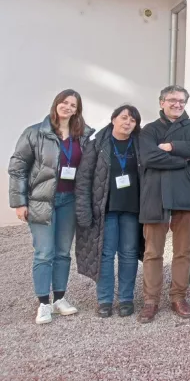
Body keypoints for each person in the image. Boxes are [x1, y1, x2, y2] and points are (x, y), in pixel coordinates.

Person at [9, 89, 93, 324]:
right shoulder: (36, 133)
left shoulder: (83, 136)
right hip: (42, 201)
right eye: (64, 103)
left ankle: (59, 298)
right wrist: (19, 202)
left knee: (63, 252)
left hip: (70, 201)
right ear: (56, 104)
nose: (67, 107)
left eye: (73, 105)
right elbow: (18, 167)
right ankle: (43, 304)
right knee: (44, 253)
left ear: (78, 110)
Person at [137, 85, 190, 323]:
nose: (177, 104)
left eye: (181, 101)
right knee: (152, 252)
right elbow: (148, 157)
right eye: (172, 100)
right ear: (161, 103)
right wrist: (183, 160)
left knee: (183, 251)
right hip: (155, 195)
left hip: (184, 194)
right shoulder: (149, 130)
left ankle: (179, 296)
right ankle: (151, 300)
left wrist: (171, 147)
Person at [75, 105, 143, 318]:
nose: (128, 123)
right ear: (113, 119)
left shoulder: (140, 144)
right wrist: (84, 211)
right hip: (105, 210)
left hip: (132, 209)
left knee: (129, 254)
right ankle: (104, 300)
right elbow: (84, 179)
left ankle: (126, 298)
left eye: (132, 120)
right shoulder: (97, 146)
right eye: (124, 118)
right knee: (105, 254)